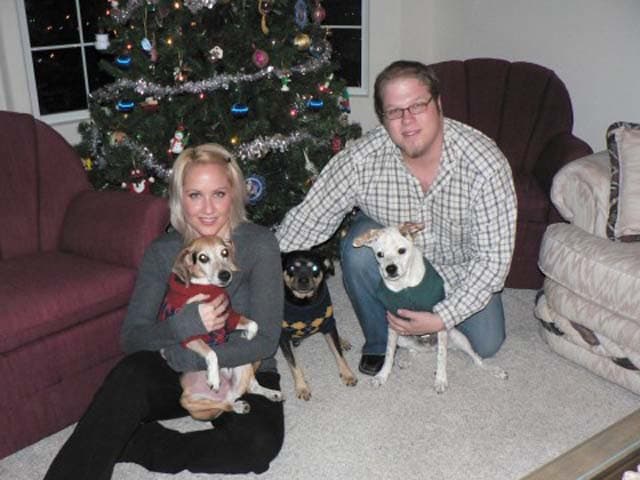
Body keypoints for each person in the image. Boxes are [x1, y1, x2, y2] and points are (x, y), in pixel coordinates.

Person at [45, 144, 284, 479]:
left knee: (256, 446)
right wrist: (182, 325)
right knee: (130, 375)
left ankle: (134, 443)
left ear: (235, 194)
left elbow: (267, 340)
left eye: (218, 193)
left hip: (243, 371)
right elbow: (132, 337)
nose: (208, 209)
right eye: (194, 195)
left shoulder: (260, 244)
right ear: (179, 199)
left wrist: (193, 358)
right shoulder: (164, 251)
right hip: (177, 366)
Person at [276, 60, 517, 376]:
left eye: (418, 105)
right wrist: (245, 258)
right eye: (394, 112)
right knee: (358, 250)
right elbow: (309, 219)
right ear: (383, 119)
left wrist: (443, 316)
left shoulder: (485, 166)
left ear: (439, 105)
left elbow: (493, 260)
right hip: (389, 248)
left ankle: (428, 318)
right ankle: (378, 340)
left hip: (458, 268)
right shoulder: (362, 160)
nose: (408, 120)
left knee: (487, 343)